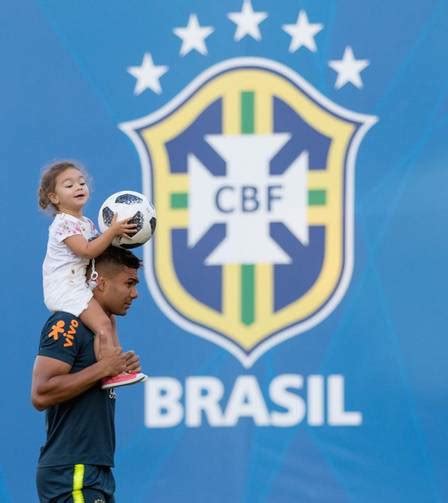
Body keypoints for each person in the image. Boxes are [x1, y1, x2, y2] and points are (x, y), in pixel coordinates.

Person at [32, 245, 144, 502]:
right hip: (73, 472)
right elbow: (40, 392)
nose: (135, 294)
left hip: (93, 470)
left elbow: (90, 378)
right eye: (129, 283)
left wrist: (117, 368)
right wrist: (104, 368)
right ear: (100, 283)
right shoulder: (67, 322)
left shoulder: (101, 330)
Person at [38, 160, 145, 388]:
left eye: (82, 182)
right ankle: (109, 372)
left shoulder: (84, 223)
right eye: (69, 185)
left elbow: (101, 250)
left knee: (109, 321)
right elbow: (87, 250)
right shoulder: (63, 224)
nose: (78, 187)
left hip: (77, 285)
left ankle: (118, 365)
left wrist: (120, 238)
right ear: (54, 198)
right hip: (65, 289)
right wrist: (113, 231)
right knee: (103, 326)